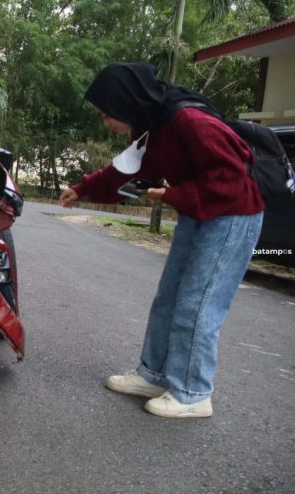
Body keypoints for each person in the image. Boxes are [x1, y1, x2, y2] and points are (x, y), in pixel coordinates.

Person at [59, 62, 264, 419]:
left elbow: (232, 178)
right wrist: (83, 188)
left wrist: (171, 195)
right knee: (168, 297)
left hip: (233, 214)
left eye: (106, 114)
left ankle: (193, 392)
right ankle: (154, 375)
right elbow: (130, 170)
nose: (105, 122)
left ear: (125, 102)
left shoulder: (190, 121)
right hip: (198, 212)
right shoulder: (151, 125)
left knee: (198, 303)